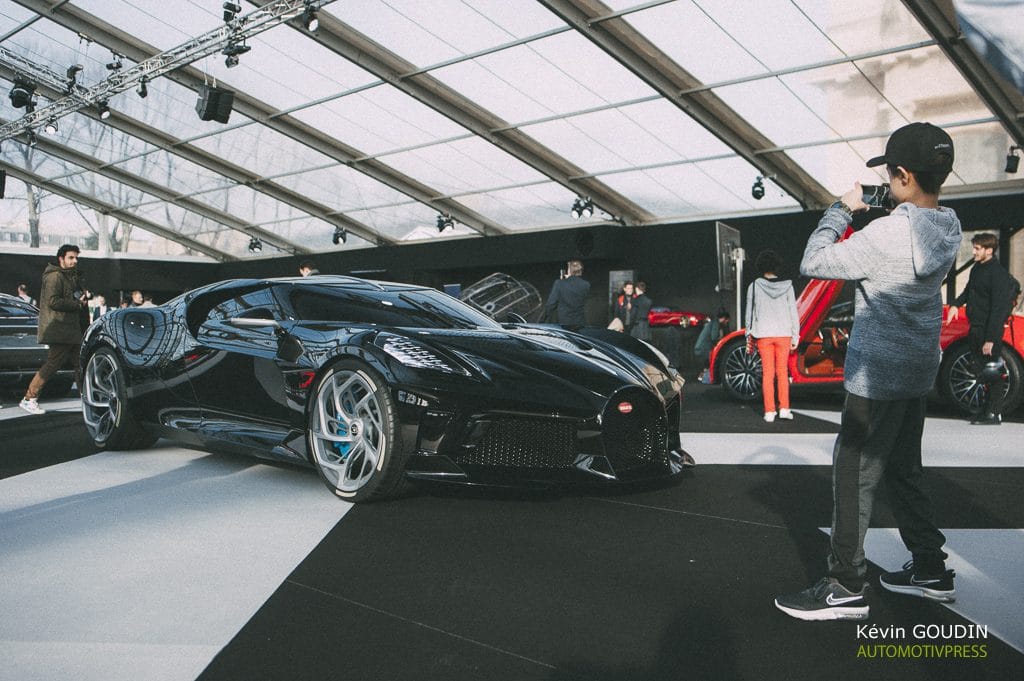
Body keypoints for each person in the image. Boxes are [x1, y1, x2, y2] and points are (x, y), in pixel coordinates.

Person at [775, 122, 962, 621]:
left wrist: (841, 210)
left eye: (891, 174)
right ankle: (929, 567)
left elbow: (814, 261)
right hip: (916, 371)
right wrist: (890, 208)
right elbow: (910, 226)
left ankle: (845, 584)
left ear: (901, 174)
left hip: (875, 378)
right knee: (905, 470)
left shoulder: (883, 235)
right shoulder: (949, 225)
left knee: (853, 475)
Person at [946, 233, 1015, 425]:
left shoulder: (998, 274)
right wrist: (955, 305)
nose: (974, 251)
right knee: (980, 371)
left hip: (988, 331)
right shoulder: (977, 268)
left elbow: (998, 309)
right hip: (976, 328)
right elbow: (968, 291)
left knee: (992, 372)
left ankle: (994, 413)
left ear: (989, 250)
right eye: (974, 247)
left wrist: (991, 339)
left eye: (977, 248)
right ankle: (984, 410)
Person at [19, 244, 91, 415]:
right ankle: (29, 398)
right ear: (61, 259)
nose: (75, 261)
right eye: (71, 257)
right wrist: (77, 304)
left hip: (70, 330)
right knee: (54, 364)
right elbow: (53, 301)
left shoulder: (68, 277)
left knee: (80, 364)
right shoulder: (55, 276)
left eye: (76, 258)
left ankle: (87, 399)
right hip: (60, 329)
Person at [745, 250, 799, 422]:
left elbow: (749, 314)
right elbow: (793, 313)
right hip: (784, 334)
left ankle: (769, 411)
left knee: (768, 374)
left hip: (763, 335)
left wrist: (748, 334)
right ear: (777, 265)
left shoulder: (753, 287)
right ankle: (784, 409)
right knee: (782, 372)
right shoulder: (788, 286)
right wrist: (795, 336)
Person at [544, 259, 590, 329]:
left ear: (569, 270)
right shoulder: (586, 284)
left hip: (563, 323)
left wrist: (544, 318)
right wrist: (567, 280)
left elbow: (551, 304)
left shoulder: (559, 283)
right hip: (580, 322)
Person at [694, 308, 730, 381]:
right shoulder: (715, 323)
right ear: (723, 318)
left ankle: (703, 377)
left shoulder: (714, 323)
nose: (727, 322)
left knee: (708, 363)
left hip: (701, 348)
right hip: (703, 348)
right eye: (726, 320)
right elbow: (714, 337)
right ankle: (705, 378)